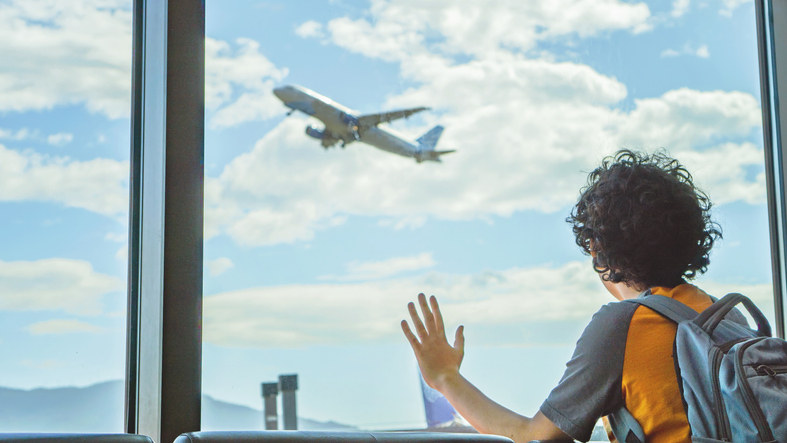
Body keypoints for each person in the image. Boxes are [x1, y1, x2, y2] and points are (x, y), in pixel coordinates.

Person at [401, 149, 723, 443]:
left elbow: (534, 437)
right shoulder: (723, 315)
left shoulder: (623, 326)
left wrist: (445, 378)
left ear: (598, 251)